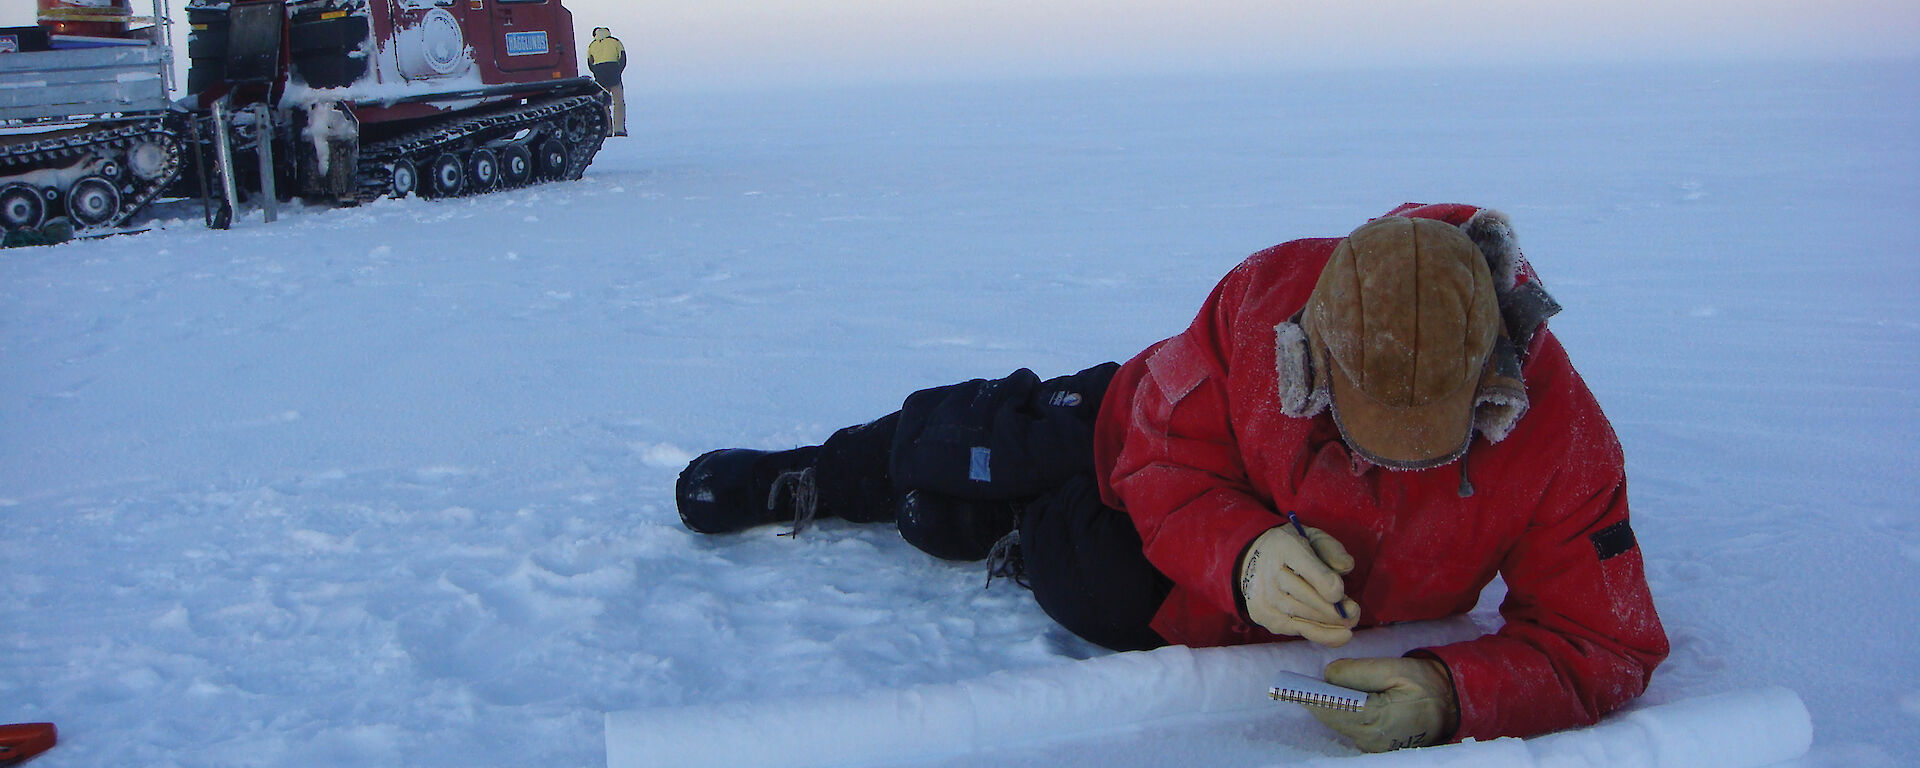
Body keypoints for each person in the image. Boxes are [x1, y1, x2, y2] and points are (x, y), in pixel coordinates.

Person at [674, 203, 1669, 752]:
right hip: (1127, 432)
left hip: (1178, 584)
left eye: (1422, 442)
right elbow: (1162, 452)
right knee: (960, 445)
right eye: (1361, 430)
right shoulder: (1267, 296)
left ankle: (990, 531)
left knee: (1062, 572)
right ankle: (813, 473)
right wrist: (1244, 554)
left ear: (1489, 379)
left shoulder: (1560, 440)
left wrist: (1450, 696)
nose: (1377, 465)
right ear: (1315, 353)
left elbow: (1604, 641)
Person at [586, 27, 627, 137]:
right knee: (618, 103)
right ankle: (619, 129)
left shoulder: (592, 45)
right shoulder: (616, 42)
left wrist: (596, 73)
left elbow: (590, 63)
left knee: (604, 104)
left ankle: (607, 130)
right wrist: (618, 72)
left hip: (600, 76)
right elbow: (623, 59)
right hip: (614, 73)